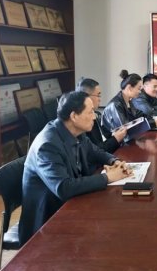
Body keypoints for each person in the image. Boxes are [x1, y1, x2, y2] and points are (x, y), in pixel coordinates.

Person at [19, 91, 131, 245]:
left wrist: (114, 161)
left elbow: (95, 151)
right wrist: (108, 177)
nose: (94, 117)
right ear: (74, 116)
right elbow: (64, 188)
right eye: (90, 112)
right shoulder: (47, 145)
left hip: (73, 205)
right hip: (48, 221)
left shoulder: (75, 131)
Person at [102, 69, 157, 135]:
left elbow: (140, 115)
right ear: (130, 88)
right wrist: (153, 123)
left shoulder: (128, 102)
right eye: (139, 88)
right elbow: (124, 130)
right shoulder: (115, 105)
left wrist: (155, 120)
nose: (140, 92)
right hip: (116, 140)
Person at [76, 77, 127, 154]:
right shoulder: (83, 121)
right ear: (87, 97)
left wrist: (114, 135)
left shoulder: (96, 114)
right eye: (98, 95)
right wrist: (116, 139)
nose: (100, 99)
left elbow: (104, 138)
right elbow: (95, 151)